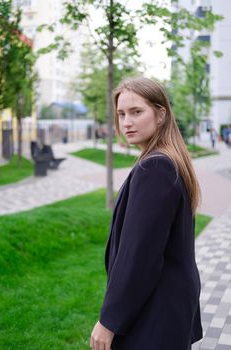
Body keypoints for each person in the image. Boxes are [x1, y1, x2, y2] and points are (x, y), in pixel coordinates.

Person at [90, 77, 203, 350]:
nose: (126, 122)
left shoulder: (156, 169)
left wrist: (109, 321)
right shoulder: (166, 160)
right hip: (167, 304)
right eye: (121, 114)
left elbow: (140, 255)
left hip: (155, 310)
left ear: (161, 114)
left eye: (136, 112)